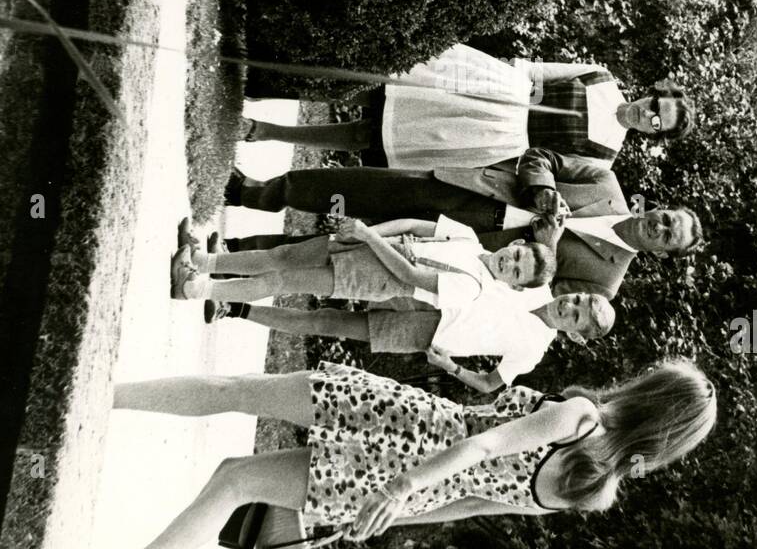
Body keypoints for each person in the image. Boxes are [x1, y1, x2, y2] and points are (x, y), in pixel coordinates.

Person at [82, 358, 717, 549]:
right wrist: (394, 511)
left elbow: (483, 444)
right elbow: (468, 506)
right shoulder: (594, 493)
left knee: (237, 394)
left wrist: (402, 488)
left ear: (650, 393)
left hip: (414, 430)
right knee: (236, 479)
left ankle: (101, 393)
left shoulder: (581, 417)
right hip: (406, 488)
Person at [223, 146, 704, 300]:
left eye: (667, 237)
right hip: (469, 195)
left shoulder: (606, 282)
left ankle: (236, 254)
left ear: (662, 253)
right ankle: (250, 193)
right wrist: (543, 191)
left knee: (348, 247)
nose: (658, 228)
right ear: (657, 207)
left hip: (462, 252)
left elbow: (539, 300)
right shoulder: (604, 182)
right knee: (362, 186)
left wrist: (549, 249)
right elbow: (540, 157)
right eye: (665, 219)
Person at [238, 45, 693, 170]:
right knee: (379, 90)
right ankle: (273, 90)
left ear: (653, 134)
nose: (646, 113)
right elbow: (535, 69)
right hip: (495, 89)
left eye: (656, 122)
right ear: (652, 92)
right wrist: (507, 81)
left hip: (494, 137)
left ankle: (264, 131)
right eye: (655, 103)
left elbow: (544, 165)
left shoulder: (605, 154)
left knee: (370, 135)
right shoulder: (600, 77)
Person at [205, 290, 616, 394]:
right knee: (333, 269)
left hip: (427, 333)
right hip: (428, 291)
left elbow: (492, 384)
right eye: (578, 299)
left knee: (329, 321)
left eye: (578, 315)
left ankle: (236, 307)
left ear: (576, 334)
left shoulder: (534, 347)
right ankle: (231, 260)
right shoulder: (535, 281)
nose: (570, 306)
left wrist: (450, 368)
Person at [169, 214, 556, 306]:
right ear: (518, 242)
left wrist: (369, 238)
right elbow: (414, 226)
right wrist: (363, 230)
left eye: (518, 273)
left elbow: (411, 273)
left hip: (381, 278)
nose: (511, 263)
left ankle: (194, 287)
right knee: (283, 254)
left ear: (515, 286)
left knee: (284, 282)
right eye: (519, 254)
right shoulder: (469, 239)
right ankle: (201, 260)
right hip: (373, 243)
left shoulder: (473, 288)